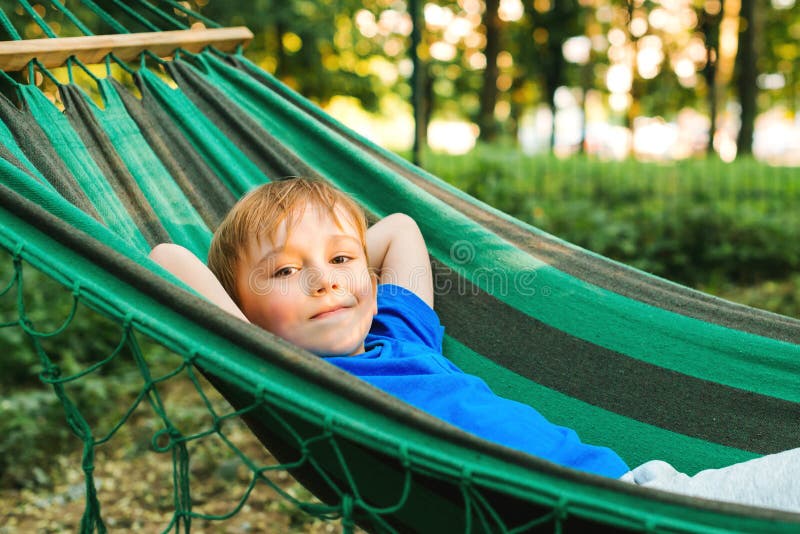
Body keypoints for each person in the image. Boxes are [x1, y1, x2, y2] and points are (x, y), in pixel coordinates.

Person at [149, 177, 800, 512]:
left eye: (340, 259)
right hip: (589, 513)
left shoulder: (397, 331)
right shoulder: (291, 371)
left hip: (638, 496)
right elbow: (169, 257)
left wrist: (350, 274)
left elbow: (400, 229)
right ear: (242, 312)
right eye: (286, 272)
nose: (322, 281)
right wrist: (255, 318)